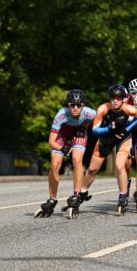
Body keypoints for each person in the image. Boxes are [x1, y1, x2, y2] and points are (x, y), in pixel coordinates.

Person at [80, 84, 137, 211]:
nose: (115, 101)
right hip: (106, 137)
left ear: (123, 99)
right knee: (92, 169)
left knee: (119, 165)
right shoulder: (103, 109)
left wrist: (126, 130)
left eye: (118, 98)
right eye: (112, 98)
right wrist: (108, 128)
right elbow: (95, 130)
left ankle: (122, 195)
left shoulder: (128, 109)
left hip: (123, 138)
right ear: (109, 98)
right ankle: (82, 192)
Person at [35, 89, 97, 219]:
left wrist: (83, 127)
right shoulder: (61, 115)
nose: (75, 108)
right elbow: (51, 140)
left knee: (76, 158)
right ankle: (52, 199)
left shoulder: (90, 113)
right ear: (67, 105)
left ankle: (76, 194)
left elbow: (93, 121)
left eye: (78, 105)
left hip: (78, 135)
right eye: (72, 105)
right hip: (62, 135)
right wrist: (61, 148)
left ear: (83, 105)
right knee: (55, 164)